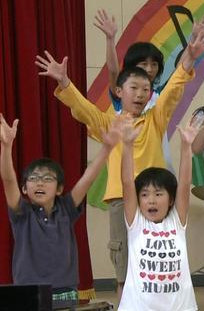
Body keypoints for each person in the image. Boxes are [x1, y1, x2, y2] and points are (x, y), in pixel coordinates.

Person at [35, 24, 204, 297]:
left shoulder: (156, 118)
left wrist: (189, 56)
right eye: (134, 88)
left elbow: (175, 87)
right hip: (121, 200)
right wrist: (64, 82)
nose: (141, 94)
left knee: (157, 268)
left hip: (157, 199)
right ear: (119, 92)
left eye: (146, 89)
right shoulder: (109, 124)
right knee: (125, 274)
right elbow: (83, 109)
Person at [0, 114, 120, 301]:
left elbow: (87, 179)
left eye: (47, 179)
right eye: (33, 179)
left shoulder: (66, 209)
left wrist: (106, 148)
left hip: (65, 291)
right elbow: (8, 179)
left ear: (59, 189)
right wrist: (6, 147)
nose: (40, 183)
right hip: (28, 293)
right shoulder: (21, 213)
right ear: (24, 188)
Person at [118, 117, 199, 310]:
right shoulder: (136, 222)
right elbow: (127, 182)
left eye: (158, 194)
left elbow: (185, 184)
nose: (151, 200)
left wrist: (186, 146)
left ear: (171, 200)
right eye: (145, 195)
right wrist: (128, 145)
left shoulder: (176, 221)